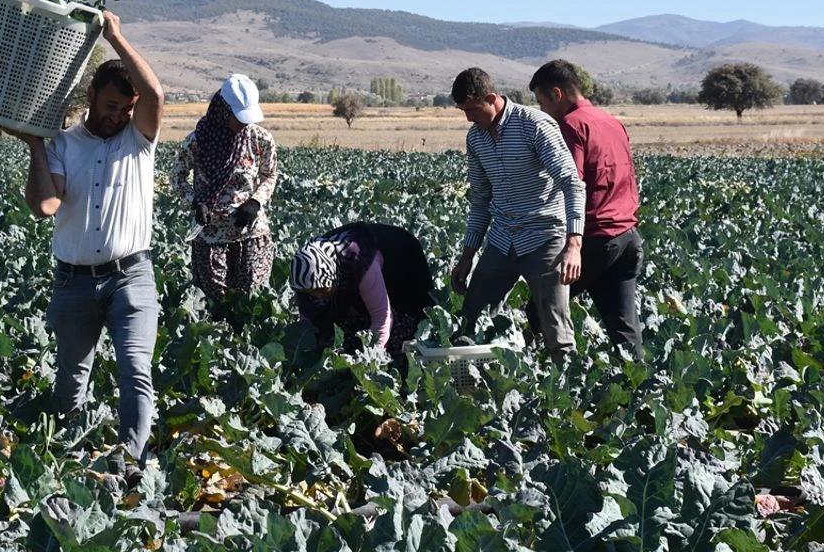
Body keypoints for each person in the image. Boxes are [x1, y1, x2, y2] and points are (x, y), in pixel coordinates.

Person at [5, 10, 164, 472]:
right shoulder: (63, 145)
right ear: (91, 96)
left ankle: (131, 466)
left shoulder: (138, 139)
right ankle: (66, 460)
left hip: (131, 276)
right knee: (71, 380)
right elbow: (46, 206)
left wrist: (115, 36)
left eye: (125, 110)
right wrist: (35, 146)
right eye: (111, 106)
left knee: (136, 370)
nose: (117, 117)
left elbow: (155, 93)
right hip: (74, 281)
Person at [449, 67, 586, 364]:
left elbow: (571, 183)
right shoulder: (476, 139)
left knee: (556, 327)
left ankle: (570, 396)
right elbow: (481, 200)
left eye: (472, 109)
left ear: (492, 98)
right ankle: (473, 389)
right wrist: (467, 255)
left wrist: (573, 245)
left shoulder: (534, 125)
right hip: (502, 237)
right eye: (463, 111)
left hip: (544, 235)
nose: (468, 118)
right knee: (473, 316)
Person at [529, 59, 645, 360]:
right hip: (628, 237)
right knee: (624, 330)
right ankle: (640, 394)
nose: (543, 112)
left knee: (540, 308)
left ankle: (549, 382)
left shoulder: (571, 126)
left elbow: (571, 184)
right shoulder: (612, 122)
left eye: (542, 103)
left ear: (557, 94)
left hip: (594, 238)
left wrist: (571, 245)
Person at [171, 74, 278, 310]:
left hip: (251, 233)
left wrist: (256, 202)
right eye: (239, 117)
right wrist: (195, 202)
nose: (244, 124)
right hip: (210, 236)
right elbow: (177, 176)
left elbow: (270, 174)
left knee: (252, 302)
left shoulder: (260, 139)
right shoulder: (197, 141)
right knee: (214, 305)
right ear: (223, 110)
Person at [290, 222, 435, 362]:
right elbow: (308, 327)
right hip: (350, 272)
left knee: (402, 336)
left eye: (321, 289)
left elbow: (382, 319)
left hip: (401, 261)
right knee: (340, 335)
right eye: (311, 292)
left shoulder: (360, 261)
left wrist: (370, 360)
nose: (317, 295)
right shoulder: (305, 275)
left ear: (331, 276)